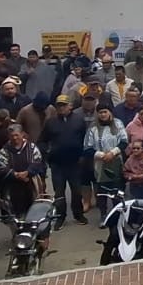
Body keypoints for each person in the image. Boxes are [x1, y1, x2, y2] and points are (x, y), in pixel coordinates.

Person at [42, 94, 89, 228]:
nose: (61, 108)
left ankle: (78, 214)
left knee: (77, 191)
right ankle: (60, 217)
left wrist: (83, 156)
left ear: (70, 106)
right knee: (59, 193)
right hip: (57, 164)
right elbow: (42, 141)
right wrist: (47, 154)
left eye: (64, 105)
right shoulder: (50, 122)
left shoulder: (79, 120)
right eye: (59, 105)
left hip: (75, 163)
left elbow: (85, 140)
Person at [0, 126, 46, 217]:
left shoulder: (32, 147)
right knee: (15, 215)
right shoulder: (4, 150)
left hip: (31, 184)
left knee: (33, 212)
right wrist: (15, 174)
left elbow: (37, 162)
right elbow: (1, 167)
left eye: (17, 135)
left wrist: (27, 172)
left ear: (22, 134)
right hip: (12, 187)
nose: (14, 138)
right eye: (12, 136)